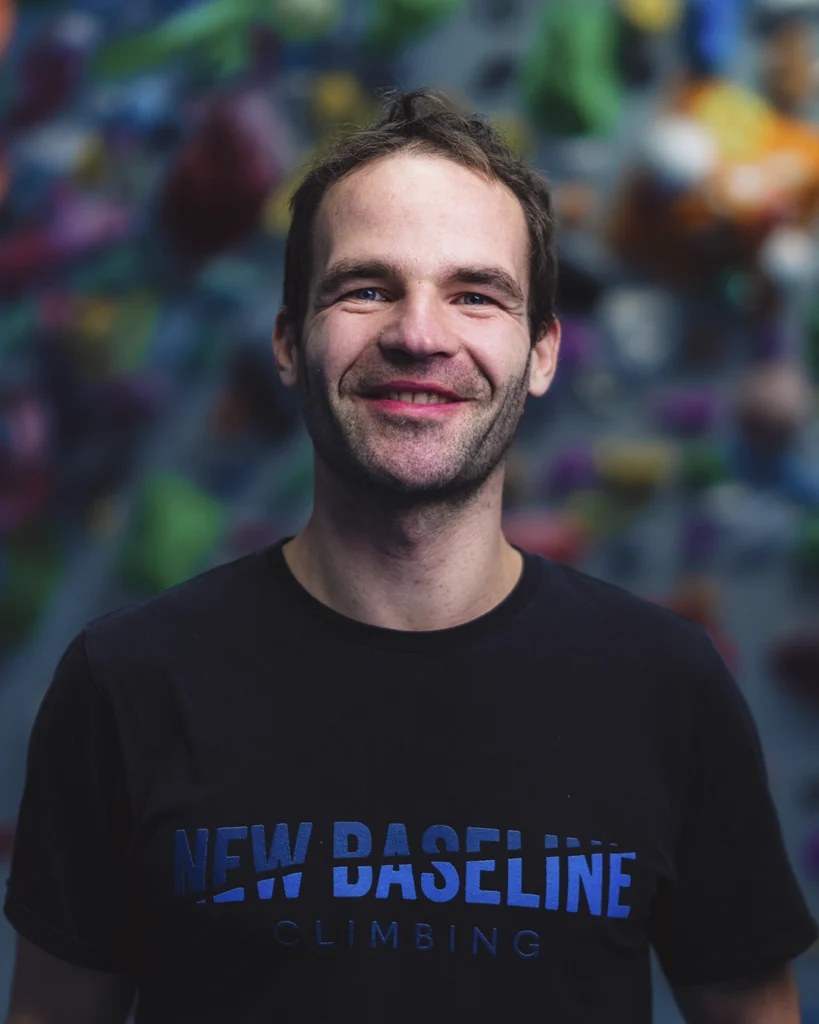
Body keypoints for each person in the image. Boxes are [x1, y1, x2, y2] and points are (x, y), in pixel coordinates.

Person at [3, 90, 817, 1024]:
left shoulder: (669, 687)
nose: (420, 334)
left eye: (474, 295)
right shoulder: (127, 683)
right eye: (366, 288)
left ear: (541, 352)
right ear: (287, 342)